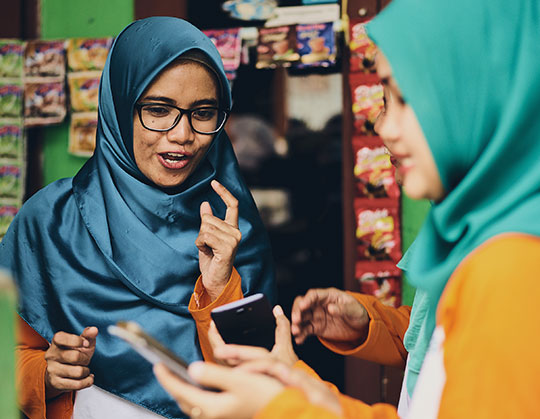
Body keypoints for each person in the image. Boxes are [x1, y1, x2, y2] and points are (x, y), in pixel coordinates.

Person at [152, 0, 540, 417]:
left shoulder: (510, 263)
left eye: (405, 98)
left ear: (479, 96)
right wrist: (308, 384)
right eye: (157, 111)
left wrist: (280, 408)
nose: (384, 126)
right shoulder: (483, 235)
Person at [0, 17, 276, 419]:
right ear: (119, 108)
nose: (182, 135)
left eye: (203, 112)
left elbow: (266, 375)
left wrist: (219, 287)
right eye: (159, 110)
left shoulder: (232, 228)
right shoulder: (52, 221)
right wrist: (46, 373)